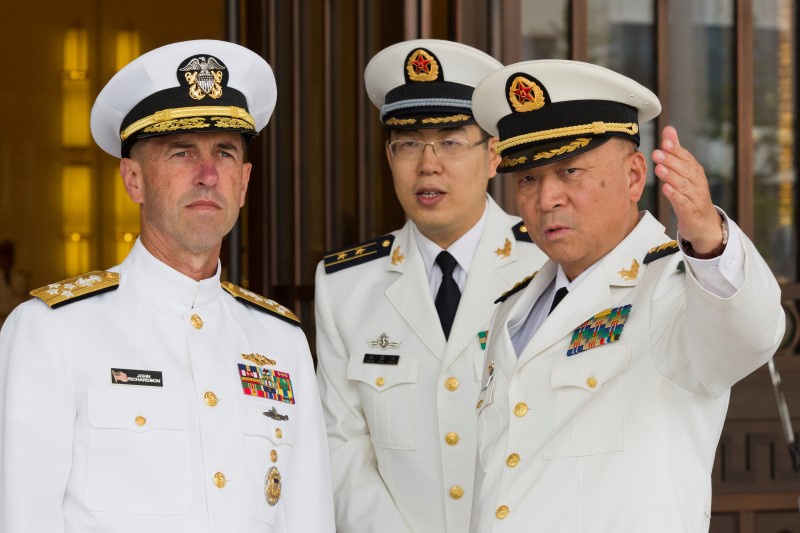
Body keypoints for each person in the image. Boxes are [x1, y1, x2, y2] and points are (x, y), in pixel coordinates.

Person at [0, 40, 334, 533]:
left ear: (243, 183)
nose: (206, 175)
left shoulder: (280, 342)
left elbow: (308, 518)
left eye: (224, 153)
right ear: (133, 179)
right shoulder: (52, 331)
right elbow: (22, 516)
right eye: (182, 153)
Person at [468, 59, 785, 532]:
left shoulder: (680, 286)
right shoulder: (513, 309)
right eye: (528, 178)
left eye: (570, 170)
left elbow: (751, 332)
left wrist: (709, 239)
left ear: (635, 176)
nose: (546, 197)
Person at [314, 39, 547, 533]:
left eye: (450, 140)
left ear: (494, 155)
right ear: (389, 155)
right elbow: (341, 446)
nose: (428, 164)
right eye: (409, 143)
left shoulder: (549, 262)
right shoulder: (345, 285)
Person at [0, 240, 27, 329]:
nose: (7, 259)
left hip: (16, 321)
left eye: (9, 255)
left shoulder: (20, 278)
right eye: (4, 255)